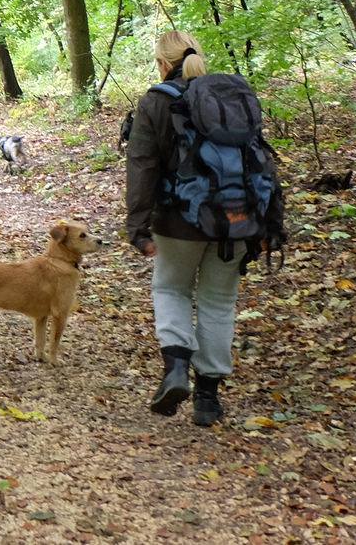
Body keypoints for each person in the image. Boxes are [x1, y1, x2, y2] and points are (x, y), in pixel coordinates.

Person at [123, 30, 286, 428]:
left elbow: (142, 165)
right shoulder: (231, 98)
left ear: (163, 63)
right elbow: (262, 161)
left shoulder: (157, 101)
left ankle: (176, 368)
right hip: (238, 221)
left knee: (170, 288)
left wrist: (138, 227)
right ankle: (208, 400)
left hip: (179, 219)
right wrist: (271, 225)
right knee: (218, 302)